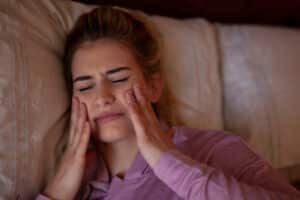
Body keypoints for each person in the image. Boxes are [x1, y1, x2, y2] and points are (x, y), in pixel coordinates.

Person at [36, 6, 300, 200]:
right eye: (85, 86)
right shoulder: (76, 185)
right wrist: (59, 188)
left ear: (153, 86)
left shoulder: (211, 150)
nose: (103, 97)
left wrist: (166, 160)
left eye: (118, 78)